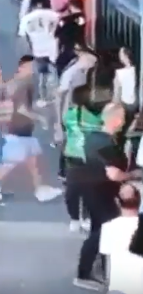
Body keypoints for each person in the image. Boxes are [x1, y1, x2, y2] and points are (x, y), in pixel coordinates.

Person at [70, 103, 141, 291]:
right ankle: (83, 273)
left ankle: (98, 265)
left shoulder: (92, 138)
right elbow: (114, 174)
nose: (124, 123)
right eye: (123, 119)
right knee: (102, 231)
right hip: (102, 191)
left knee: (97, 226)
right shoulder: (107, 144)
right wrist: (132, 176)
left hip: (90, 189)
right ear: (116, 120)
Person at [0, 55, 63, 202]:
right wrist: (39, 118)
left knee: (32, 157)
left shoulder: (15, 81)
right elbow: (22, 108)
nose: (34, 70)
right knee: (14, 159)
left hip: (15, 125)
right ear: (23, 67)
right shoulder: (25, 83)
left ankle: (41, 189)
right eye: (31, 66)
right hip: (19, 125)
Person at [61, 86, 105, 230]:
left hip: (78, 156)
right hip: (84, 156)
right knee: (84, 189)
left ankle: (77, 217)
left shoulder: (70, 114)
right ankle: (81, 217)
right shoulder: (95, 116)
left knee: (75, 191)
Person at [99, 184, 143, 294]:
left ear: (117, 202)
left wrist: (107, 288)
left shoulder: (108, 227)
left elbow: (107, 263)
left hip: (120, 289)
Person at [19, 0, 60, 106]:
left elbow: (24, 37)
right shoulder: (53, 14)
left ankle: (43, 98)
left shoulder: (26, 19)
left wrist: (30, 48)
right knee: (55, 72)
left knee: (42, 75)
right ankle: (56, 95)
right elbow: (60, 26)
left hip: (38, 50)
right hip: (52, 49)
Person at [56, 0, 88, 73]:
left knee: (60, 65)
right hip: (82, 46)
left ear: (71, 7)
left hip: (68, 48)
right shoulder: (84, 18)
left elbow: (56, 34)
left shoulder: (64, 20)